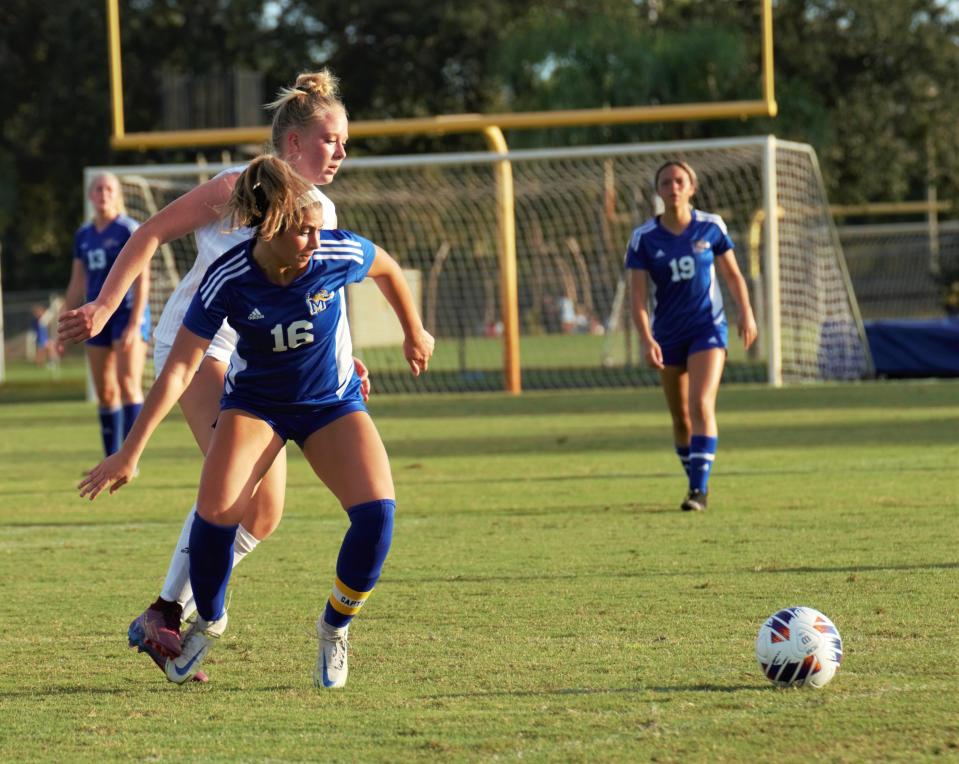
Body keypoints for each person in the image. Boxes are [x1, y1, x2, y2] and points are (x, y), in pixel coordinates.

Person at [79, 154, 434, 689]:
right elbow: (180, 368)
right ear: (268, 227)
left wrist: (415, 331)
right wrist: (132, 450)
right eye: (303, 231)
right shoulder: (231, 276)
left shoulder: (332, 249)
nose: (316, 241)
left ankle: (334, 628)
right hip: (257, 406)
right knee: (217, 515)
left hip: (330, 404)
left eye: (318, 229)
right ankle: (209, 620)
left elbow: (383, 266)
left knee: (378, 516)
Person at [57, 69, 366, 683]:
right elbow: (149, 233)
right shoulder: (235, 188)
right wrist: (105, 305)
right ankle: (168, 611)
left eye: (345, 141)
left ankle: (167, 612)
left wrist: (341, 356)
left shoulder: (323, 210)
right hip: (195, 345)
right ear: (293, 144)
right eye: (331, 138)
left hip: (255, 356)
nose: (341, 151)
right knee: (240, 488)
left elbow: (320, 288)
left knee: (265, 512)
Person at [625, 160, 758, 512]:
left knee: (701, 404)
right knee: (681, 418)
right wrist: (646, 337)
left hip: (707, 328)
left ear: (692, 187)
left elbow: (732, 276)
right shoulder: (643, 238)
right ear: (658, 191)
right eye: (666, 182)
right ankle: (697, 481)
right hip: (667, 334)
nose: (673, 187)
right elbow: (636, 298)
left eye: (679, 181)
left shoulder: (710, 227)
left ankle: (697, 491)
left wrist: (746, 311)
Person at [60, 173, 149, 457]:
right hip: (94, 316)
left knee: (128, 384)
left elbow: (142, 278)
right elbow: (77, 283)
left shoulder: (128, 229)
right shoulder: (83, 236)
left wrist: (136, 322)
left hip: (125, 313)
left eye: (109, 188)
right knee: (105, 392)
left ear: (117, 194)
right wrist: (63, 325)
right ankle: (110, 458)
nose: (103, 193)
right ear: (90, 195)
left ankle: (130, 459)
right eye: (98, 189)